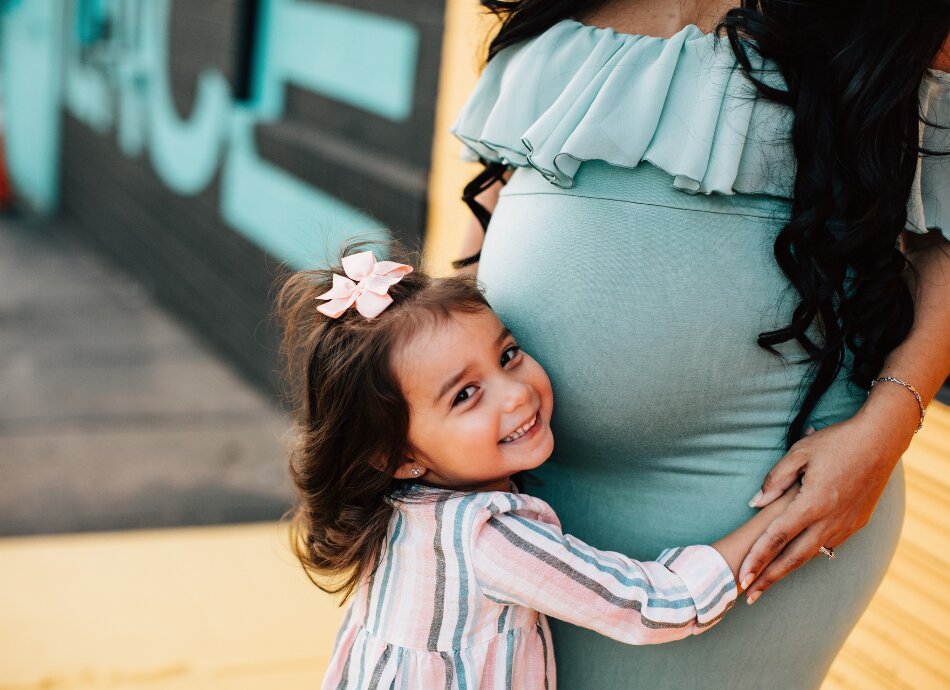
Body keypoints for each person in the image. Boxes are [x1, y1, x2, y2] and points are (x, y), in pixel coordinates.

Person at [449, 1, 950, 687]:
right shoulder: (560, 6)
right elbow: (500, 205)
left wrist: (886, 430)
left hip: (749, 509)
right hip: (516, 501)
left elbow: (943, 243)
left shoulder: (885, 21)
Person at [275, 248, 797, 689]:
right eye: (466, 395)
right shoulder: (486, 540)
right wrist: (786, 514)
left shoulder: (395, 513)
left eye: (507, 356)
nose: (518, 393)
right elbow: (655, 605)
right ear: (400, 457)